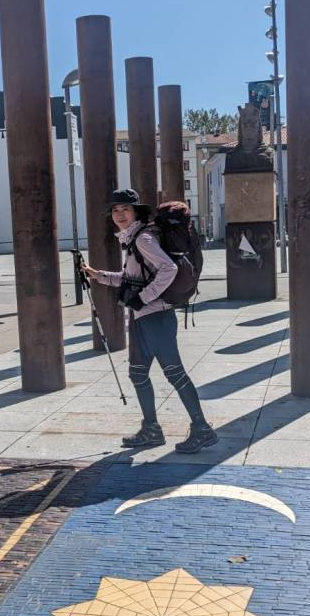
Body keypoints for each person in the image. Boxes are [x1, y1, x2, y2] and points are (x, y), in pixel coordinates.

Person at [83, 188, 218, 454]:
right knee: (137, 373)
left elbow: (169, 268)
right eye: (115, 210)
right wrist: (98, 275)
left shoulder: (143, 238)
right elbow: (132, 279)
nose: (119, 214)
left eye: (125, 209)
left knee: (174, 373)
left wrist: (143, 298)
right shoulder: (134, 239)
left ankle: (202, 429)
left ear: (136, 212)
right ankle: (151, 430)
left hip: (157, 317)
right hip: (143, 317)